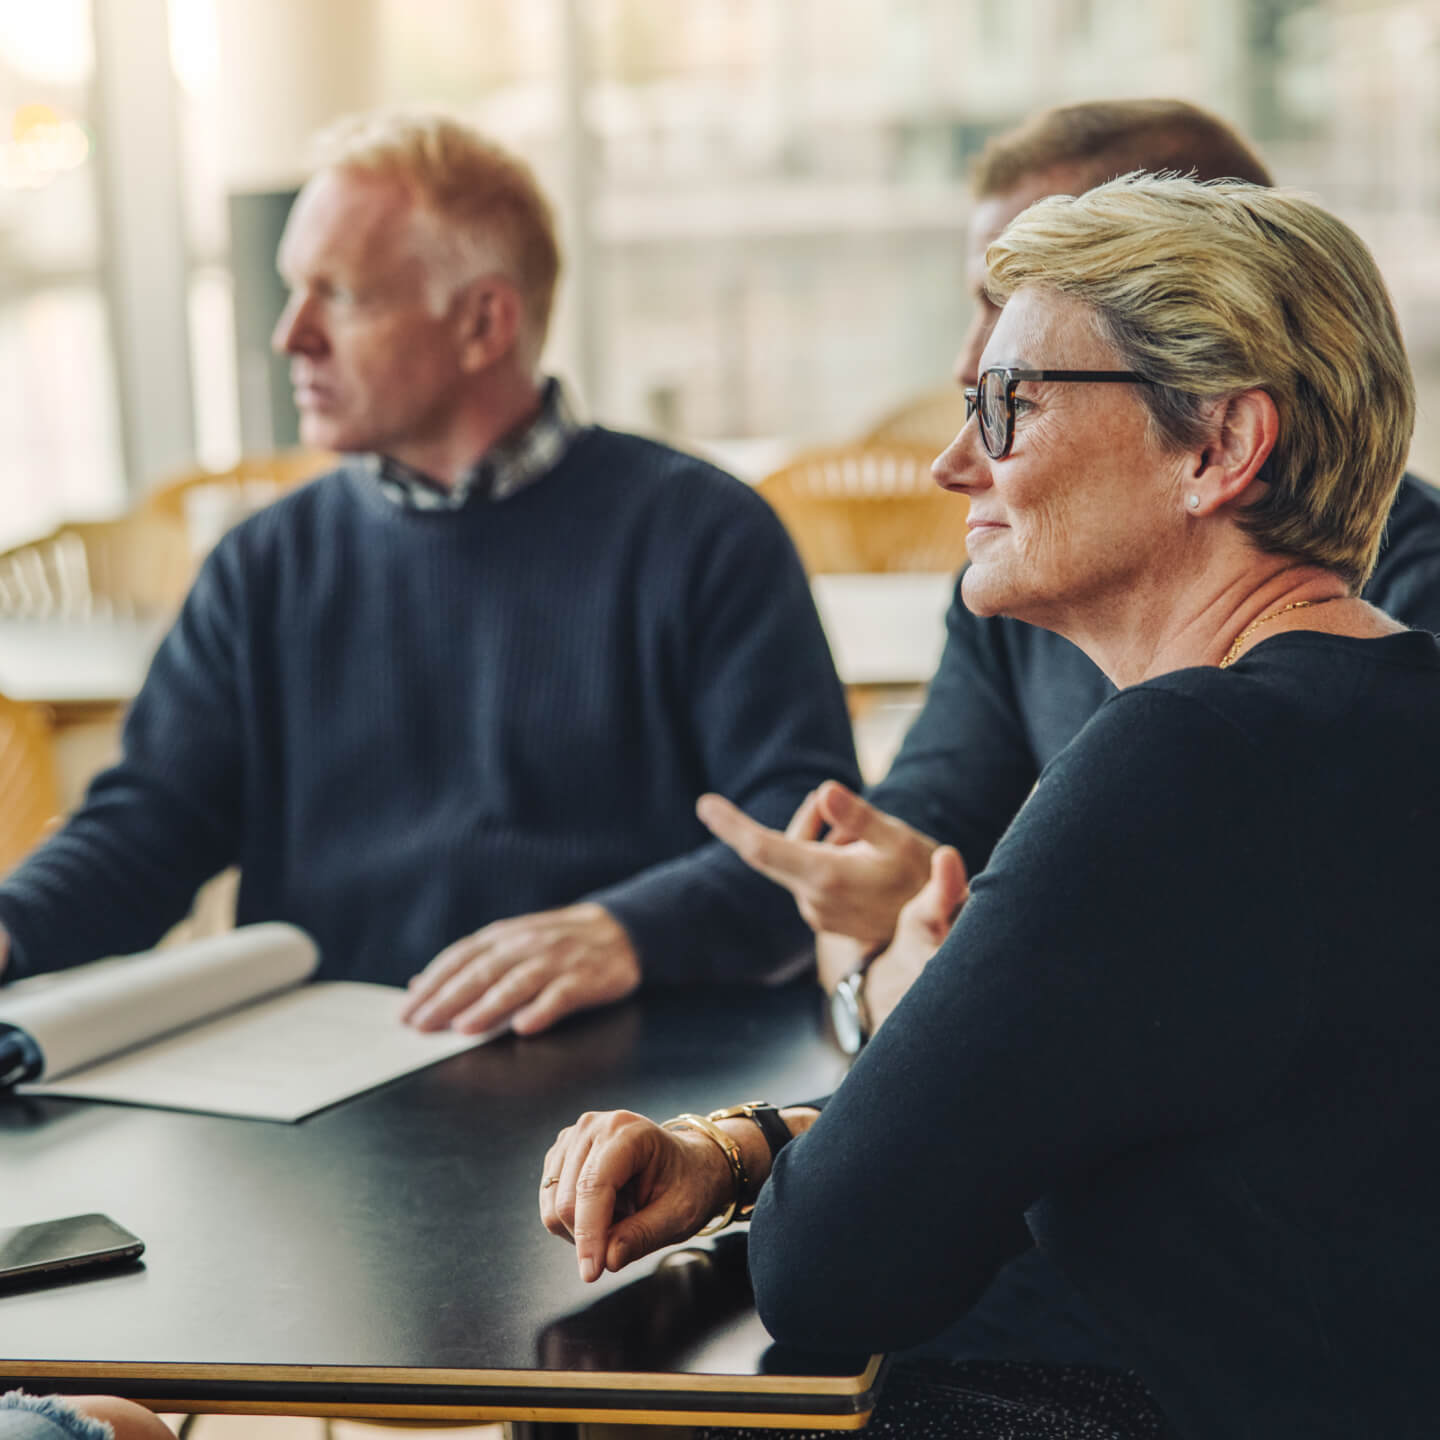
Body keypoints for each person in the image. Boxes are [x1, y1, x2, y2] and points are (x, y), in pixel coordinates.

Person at [541, 175, 1440, 1438]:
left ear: (1219, 446)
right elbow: (1116, 1132)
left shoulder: (1182, 760)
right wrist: (756, 1147)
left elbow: (836, 1268)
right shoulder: (1383, 713)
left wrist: (909, 1026)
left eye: (1010, 403)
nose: (951, 460)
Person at [0, 112, 860, 1037]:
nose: (292, 335)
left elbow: (805, 838)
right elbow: (148, 829)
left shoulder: (705, 536)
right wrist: (11, 928)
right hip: (323, 1082)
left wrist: (628, 930)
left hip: (629, 1076)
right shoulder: (264, 564)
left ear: (484, 321)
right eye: (296, 291)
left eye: (342, 296)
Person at [697, 99, 1440, 1043]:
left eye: (1024, 323)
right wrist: (890, 977)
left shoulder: (1393, 628)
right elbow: (887, 873)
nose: (971, 364)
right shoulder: (1020, 578)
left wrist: (964, 960)